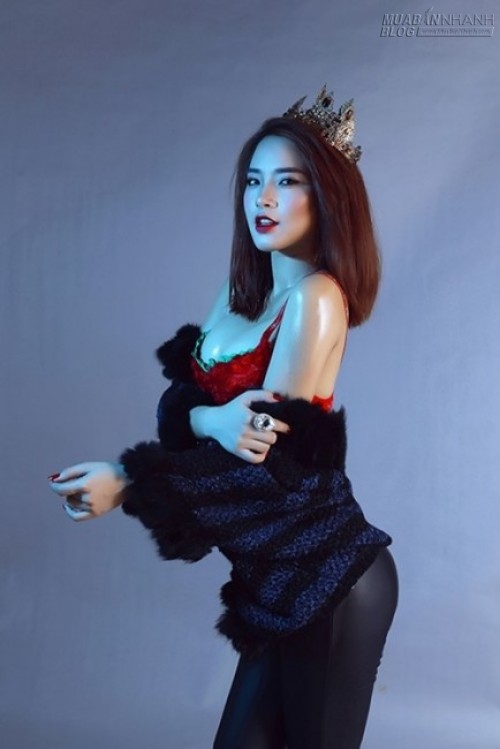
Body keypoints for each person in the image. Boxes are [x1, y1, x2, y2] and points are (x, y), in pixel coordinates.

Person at [49, 87, 398, 749]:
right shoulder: (241, 293)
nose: (263, 199)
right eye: (253, 181)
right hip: (271, 582)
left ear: (328, 196)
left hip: (332, 577)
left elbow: (258, 468)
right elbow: (183, 416)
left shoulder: (317, 299)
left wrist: (128, 480)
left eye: (288, 182)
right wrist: (211, 422)